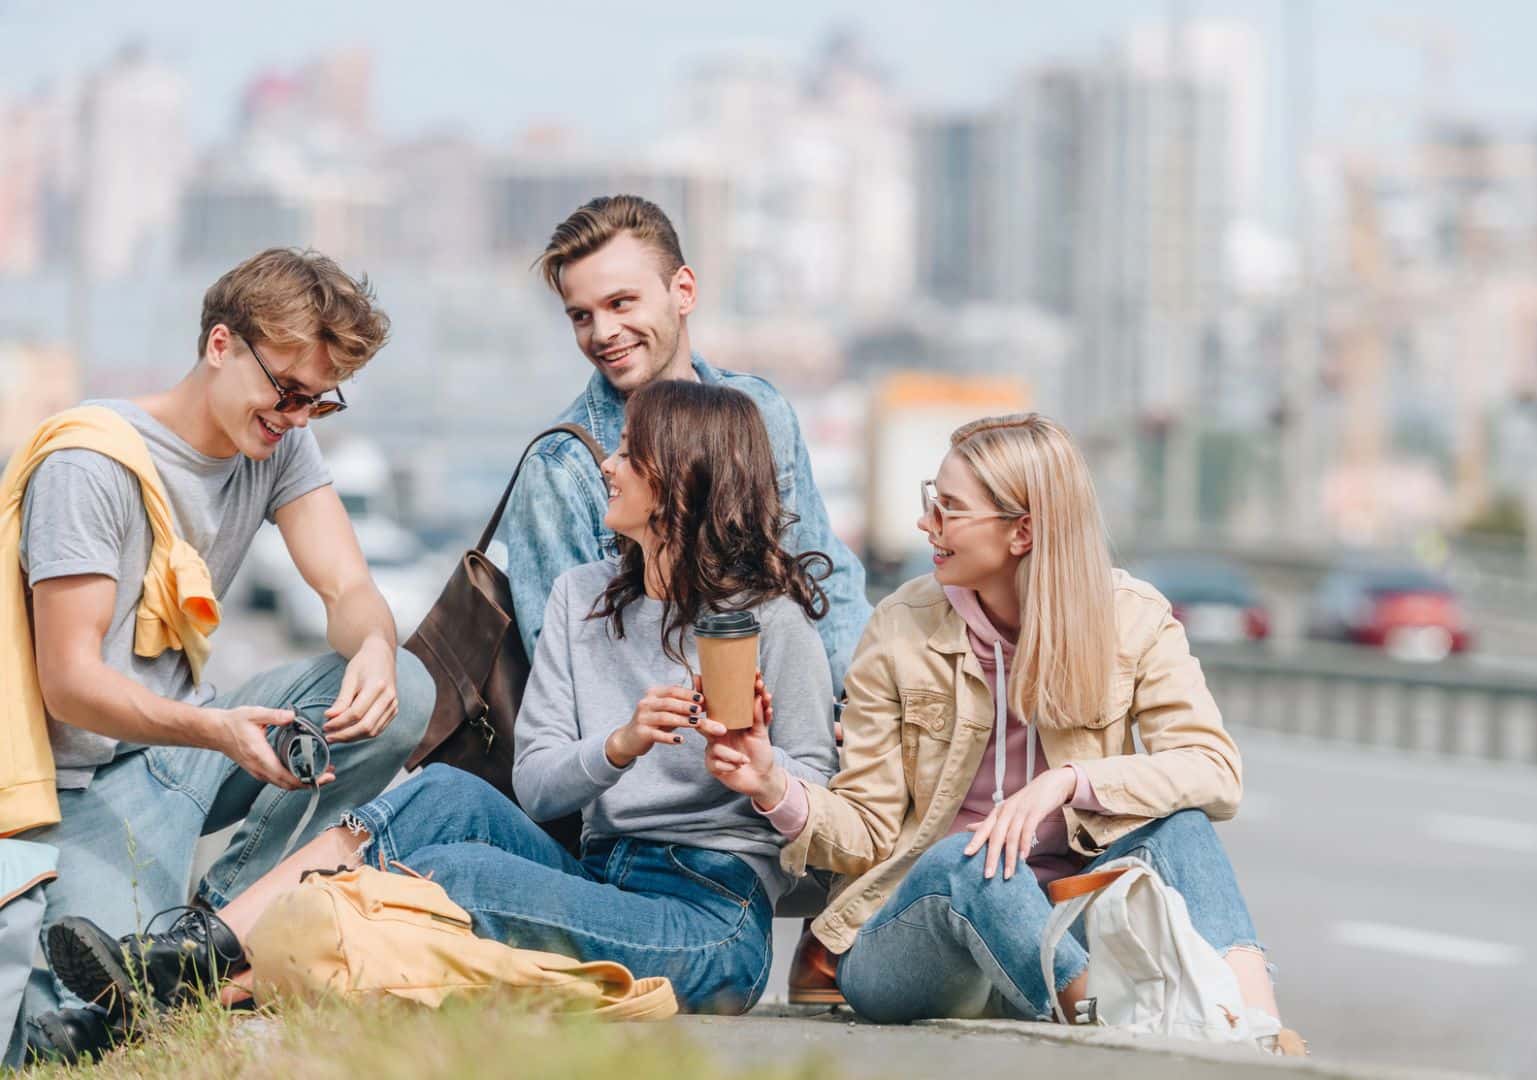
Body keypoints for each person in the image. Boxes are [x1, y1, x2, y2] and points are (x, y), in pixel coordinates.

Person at [43, 380, 839, 1027]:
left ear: (685, 476)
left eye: (631, 453)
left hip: (711, 915)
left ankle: (177, 994)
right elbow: (538, 788)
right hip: (598, 874)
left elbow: (819, 804)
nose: (607, 463)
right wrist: (621, 744)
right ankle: (202, 946)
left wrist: (762, 776)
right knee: (440, 795)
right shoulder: (579, 597)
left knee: (452, 873)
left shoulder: (769, 622)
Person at [702, 413, 1307, 1054]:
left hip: (1065, 919)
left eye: (949, 511)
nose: (925, 525)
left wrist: (1068, 783)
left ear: (1022, 531)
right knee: (975, 860)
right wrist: (772, 784)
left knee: (1180, 826)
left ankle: (1257, 1033)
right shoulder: (901, 627)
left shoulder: (1132, 620)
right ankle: (1108, 1029)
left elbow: (1214, 768)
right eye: (931, 503)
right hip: (915, 936)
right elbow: (867, 831)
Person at [11, 249, 435, 1063]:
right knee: (93, 1019)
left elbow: (347, 588)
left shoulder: (276, 446)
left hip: (183, 749)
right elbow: (69, 687)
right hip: (81, 782)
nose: (297, 417)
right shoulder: (89, 465)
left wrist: (377, 648)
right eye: (286, 391)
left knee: (406, 691)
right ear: (219, 345)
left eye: (320, 401)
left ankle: (207, 934)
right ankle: (174, 959)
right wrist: (216, 732)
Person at [498, 194, 869, 691]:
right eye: (580, 316)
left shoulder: (762, 412)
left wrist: (861, 714)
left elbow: (825, 583)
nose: (603, 332)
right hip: (653, 748)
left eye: (620, 302)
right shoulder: (559, 469)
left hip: (786, 738)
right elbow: (564, 670)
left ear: (684, 291)